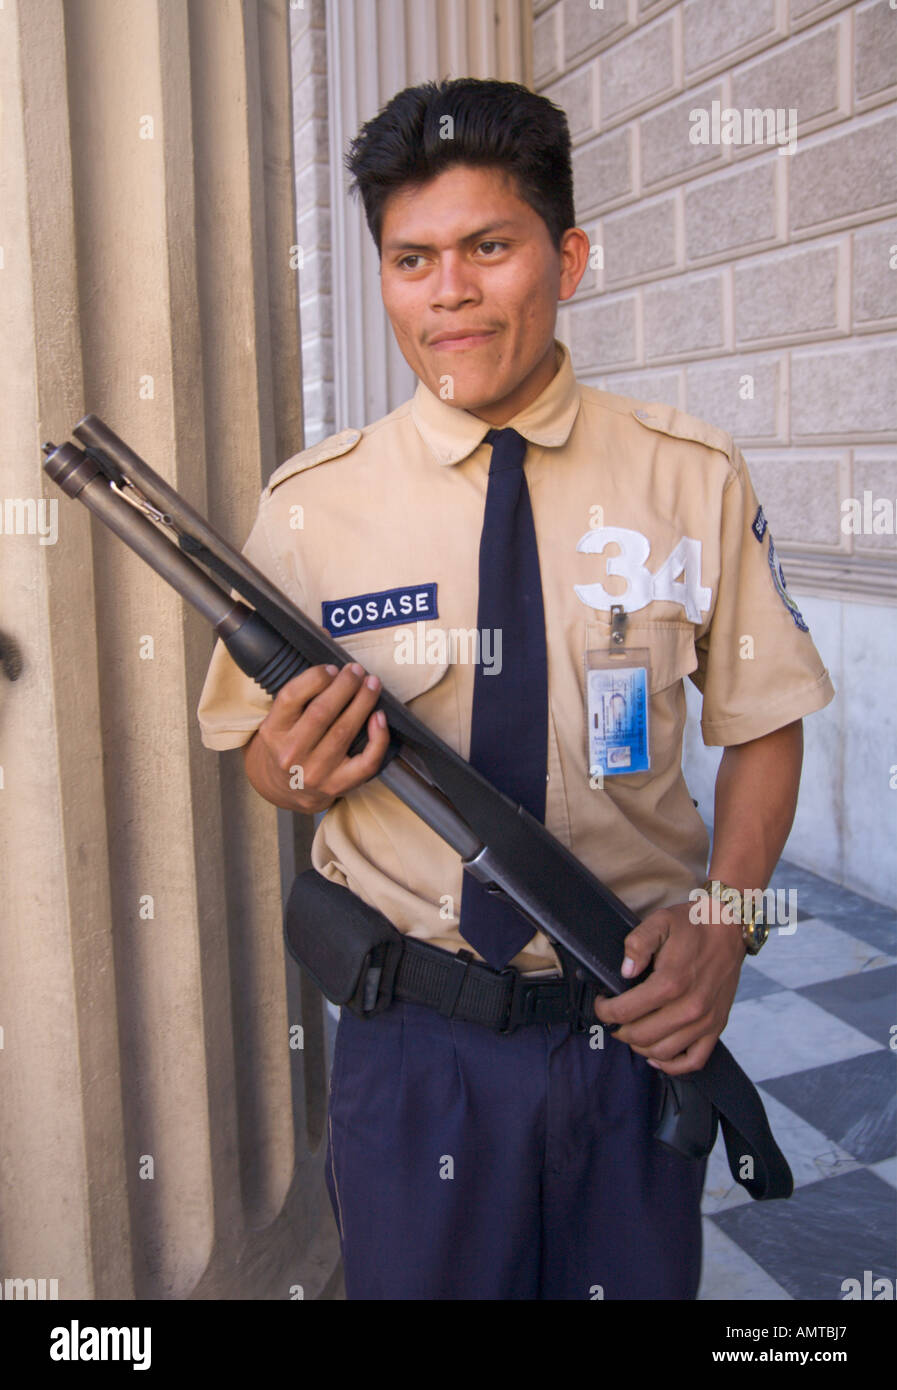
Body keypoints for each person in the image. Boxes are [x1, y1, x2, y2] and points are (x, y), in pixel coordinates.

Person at [197, 79, 835, 1300]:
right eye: (413, 257)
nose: (450, 291)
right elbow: (260, 762)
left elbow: (765, 725)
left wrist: (730, 923)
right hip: (414, 1041)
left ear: (570, 256)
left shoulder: (687, 475)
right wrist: (296, 766)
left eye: (489, 246)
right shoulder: (310, 508)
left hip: (632, 1028)